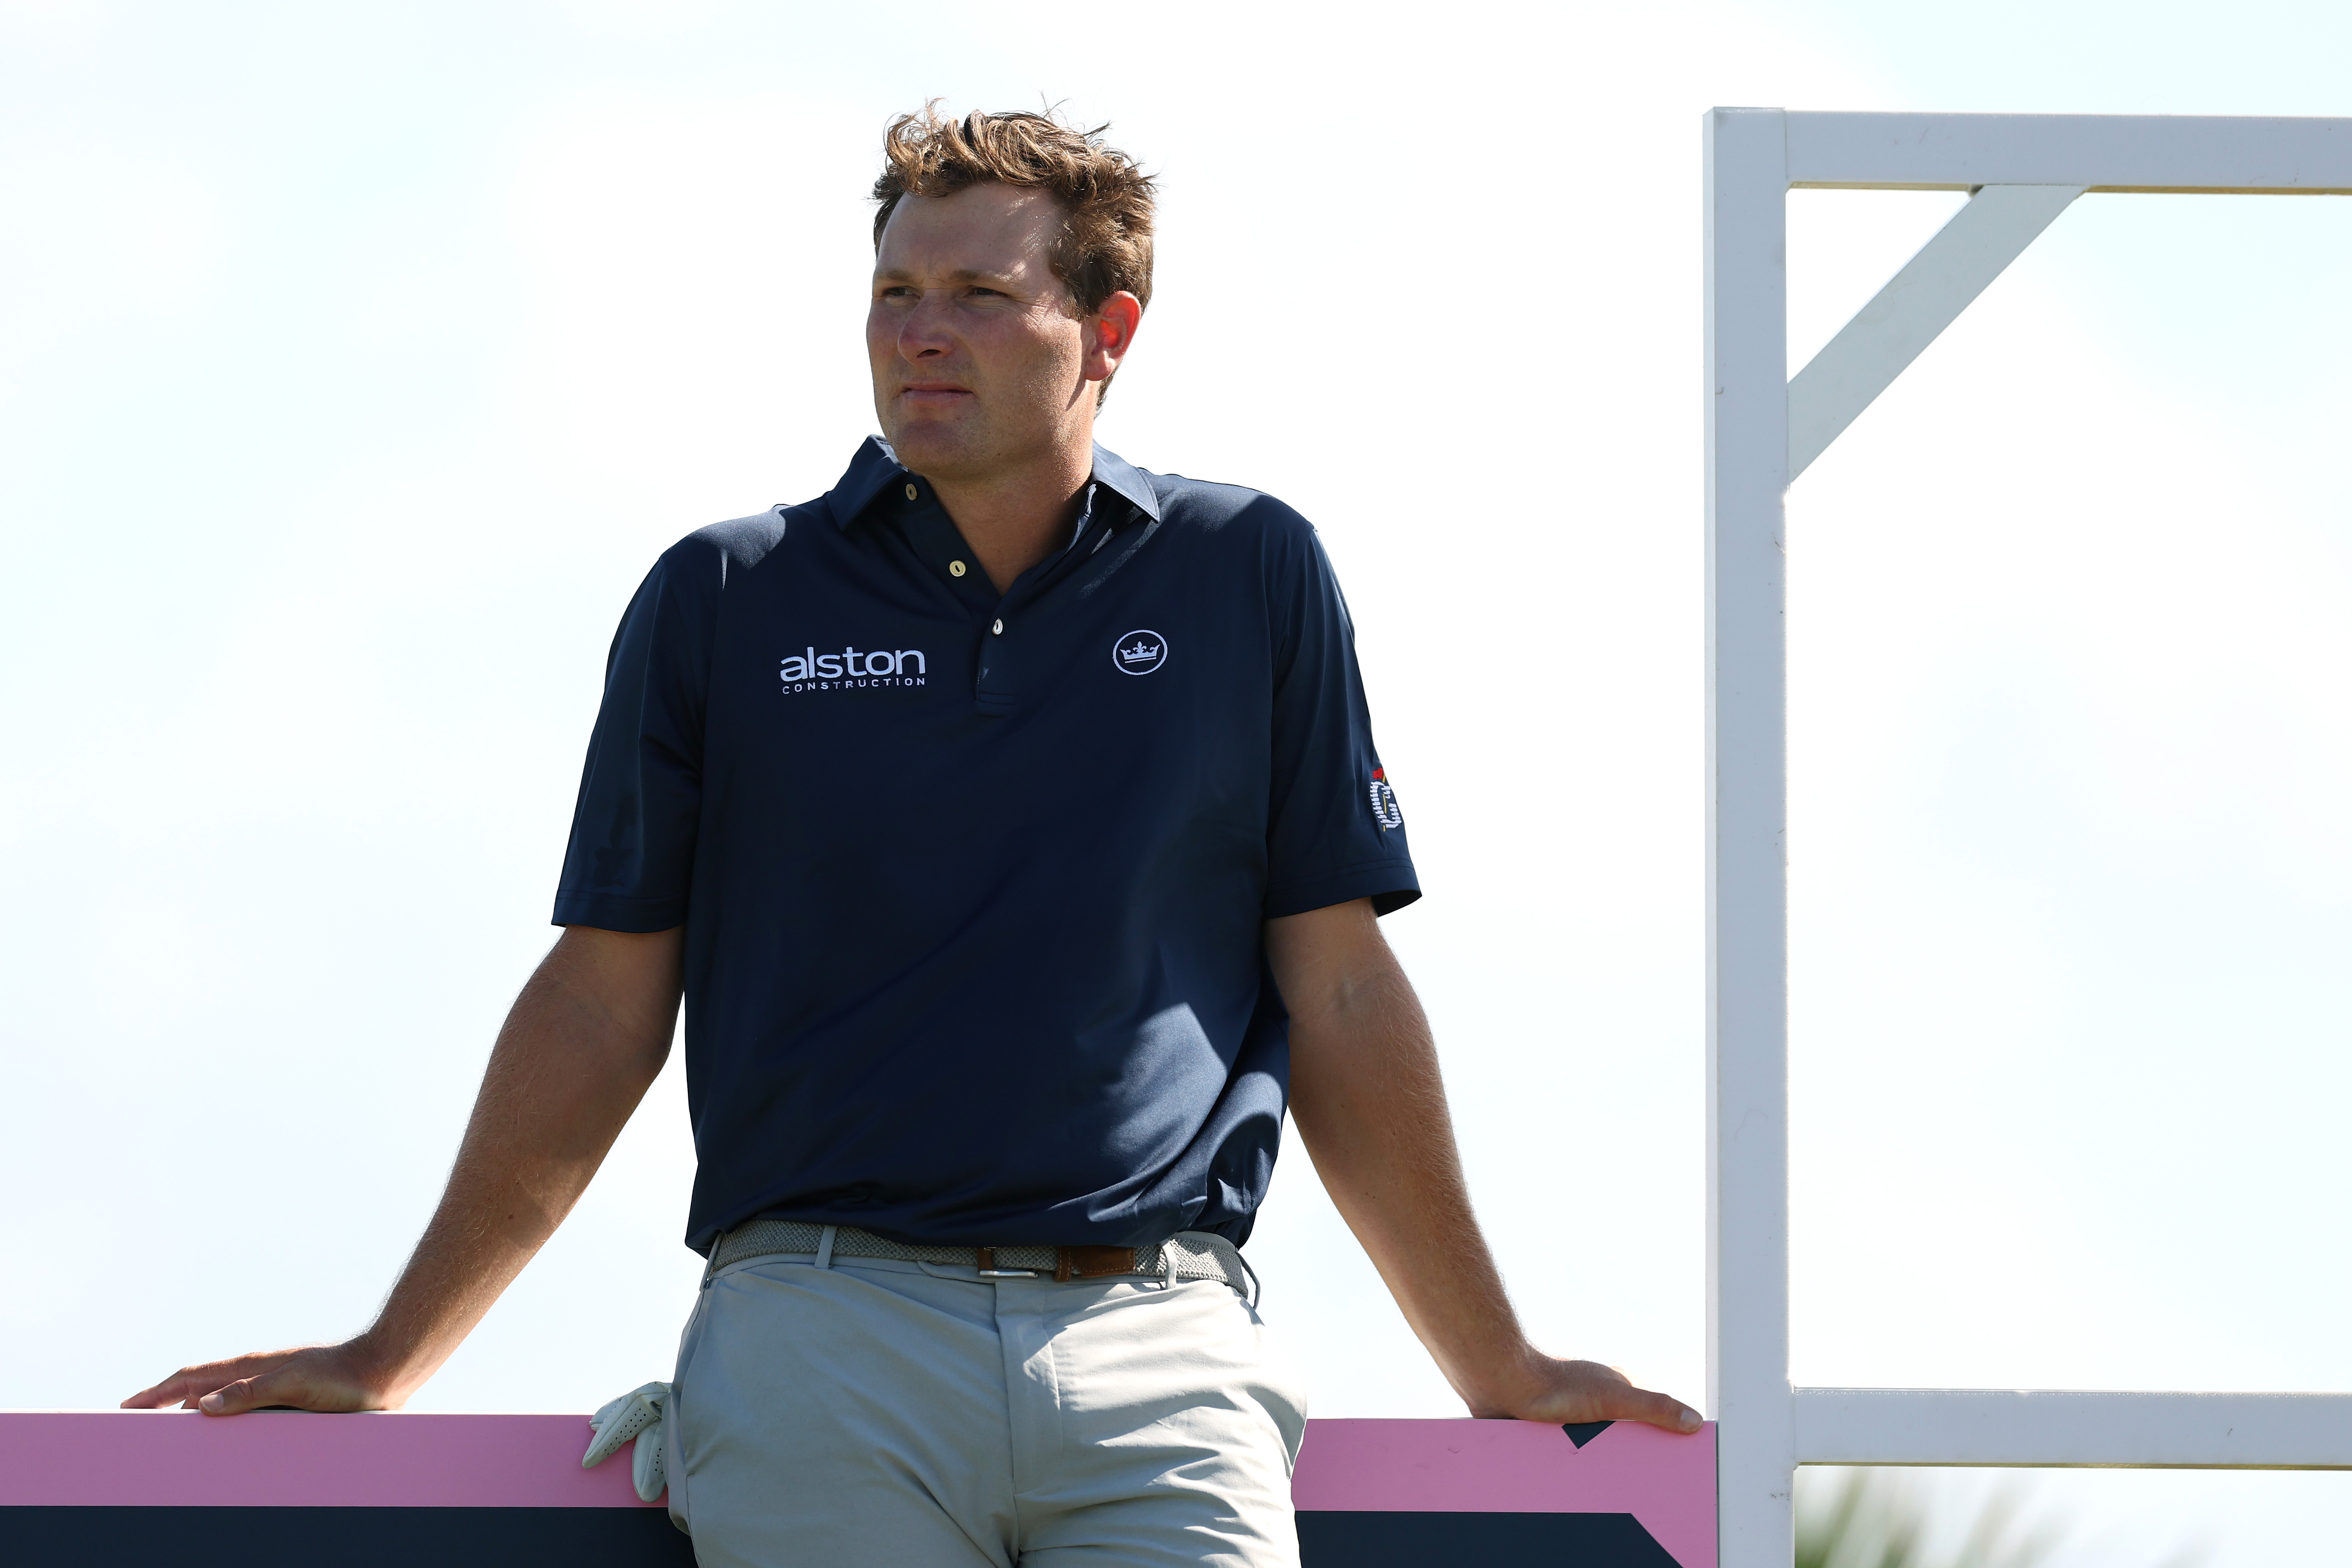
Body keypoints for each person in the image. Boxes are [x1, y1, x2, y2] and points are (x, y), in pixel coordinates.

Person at [126, 105, 1699, 1567]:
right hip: (818, 1339)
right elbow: (602, 1004)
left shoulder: (1250, 570)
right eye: (892, 292)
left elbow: (1342, 990)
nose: (919, 332)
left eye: (976, 294)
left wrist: (1496, 1360)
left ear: (1109, 336)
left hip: (1163, 1346)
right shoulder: (724, 596)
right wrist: (390, 1351)